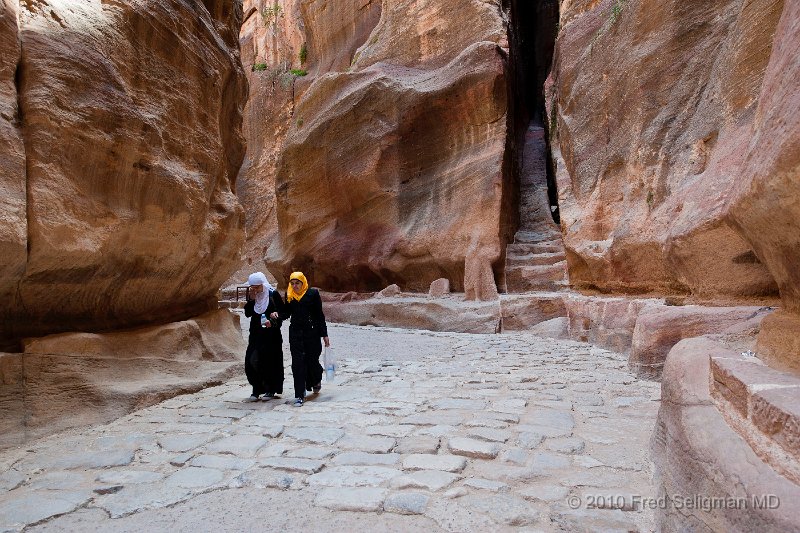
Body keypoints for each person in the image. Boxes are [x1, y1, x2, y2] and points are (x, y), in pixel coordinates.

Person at [280, 271, 330, 407]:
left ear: (303, 282)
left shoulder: (312, 294)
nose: (295, 286)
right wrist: (276, 315)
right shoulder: (289, 295)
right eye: (292, 283)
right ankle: (300, 394)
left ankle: (316, 379)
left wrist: (324, 335)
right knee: (298, 363)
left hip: (311, 333)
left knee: (312, 360)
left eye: (297, 283)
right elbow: (286, 313)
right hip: (295, 333)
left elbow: (319, 315)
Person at [243, 272, 285, 401]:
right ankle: (256, 389)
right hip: (256, 335)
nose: (255, 290)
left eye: (257, 287)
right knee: (252, 360)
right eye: (253, 287)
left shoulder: (273, 295)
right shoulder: (253, 296)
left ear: (263, 284)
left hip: (271, 336)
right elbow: (248, 313)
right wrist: (252, 299)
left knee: (269, 362)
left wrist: (272, 321)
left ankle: (270, 389)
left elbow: (282, 313)